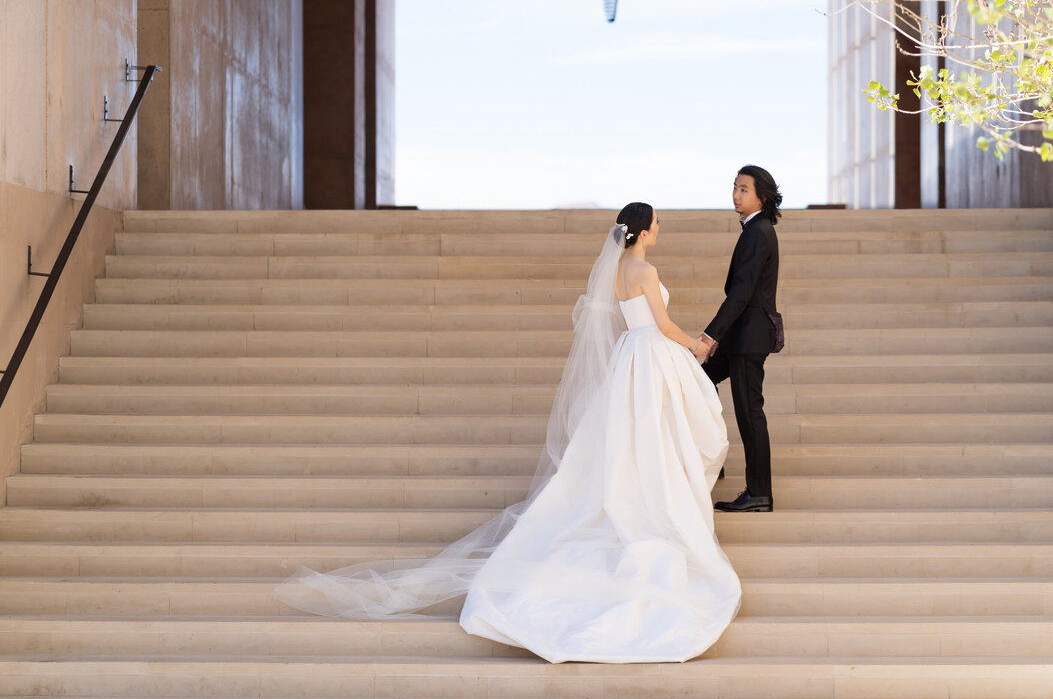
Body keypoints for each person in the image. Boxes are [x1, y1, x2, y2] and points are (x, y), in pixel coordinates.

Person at [275, 202, 741, 664]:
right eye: (656, 222)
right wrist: (697, 343)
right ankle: (652, 501)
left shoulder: (616, 267)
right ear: (641, 232)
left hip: (629, 359)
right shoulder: (643, 268)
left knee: (631, 438)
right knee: (653, 436)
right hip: (650, 354)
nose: (660, 228)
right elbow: (660, 325)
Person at [699, 166, 782, 513]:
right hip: (741, 336)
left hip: (749, 338)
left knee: (750, 414)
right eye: (734, 188)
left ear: (761, 195)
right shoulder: (754, 229)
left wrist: (709, 335)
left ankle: (759, 493)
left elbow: (742, 293)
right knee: (699, 377)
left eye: (743, 189)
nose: (736, 194)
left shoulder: (758, 231)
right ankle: (711, 457)